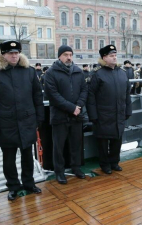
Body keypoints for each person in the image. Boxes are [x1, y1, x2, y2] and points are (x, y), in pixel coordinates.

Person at [0, 40, 44, 201]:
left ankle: (29, 183)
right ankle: (13, 186)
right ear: (3, 55)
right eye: (10, 53)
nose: (14, 56)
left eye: (16, 53)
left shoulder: (29, 72)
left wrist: (39, 117)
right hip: (6, 124)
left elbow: (38, 96)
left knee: (27, 156)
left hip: (27, 121)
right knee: (8, 159)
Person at [44, 45, 88, 184]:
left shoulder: (78, 72)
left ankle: (76, 167)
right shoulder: (51, 73)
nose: (69, 57)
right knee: (59, 146)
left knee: (76, 143)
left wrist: (79, 106)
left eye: (70, 54)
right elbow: (53, 95)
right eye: (65, 55)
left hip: (76, 115)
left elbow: (84, 90)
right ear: (59, 56)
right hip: (59, 116)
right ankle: (59, 172)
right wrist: (72, 108)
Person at [87, 45, 132, 174]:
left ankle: (114, 162)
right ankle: (105, 164)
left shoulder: (121, 73)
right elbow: (91, 96)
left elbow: (127, 94)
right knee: (103, 141)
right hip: (103, 115)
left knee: (117, 140)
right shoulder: (97, 74)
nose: (114, 58)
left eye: (115, 55)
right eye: (111, 56)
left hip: (119, 113)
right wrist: (93, 115)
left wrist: (128, 110)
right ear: (104, 57)